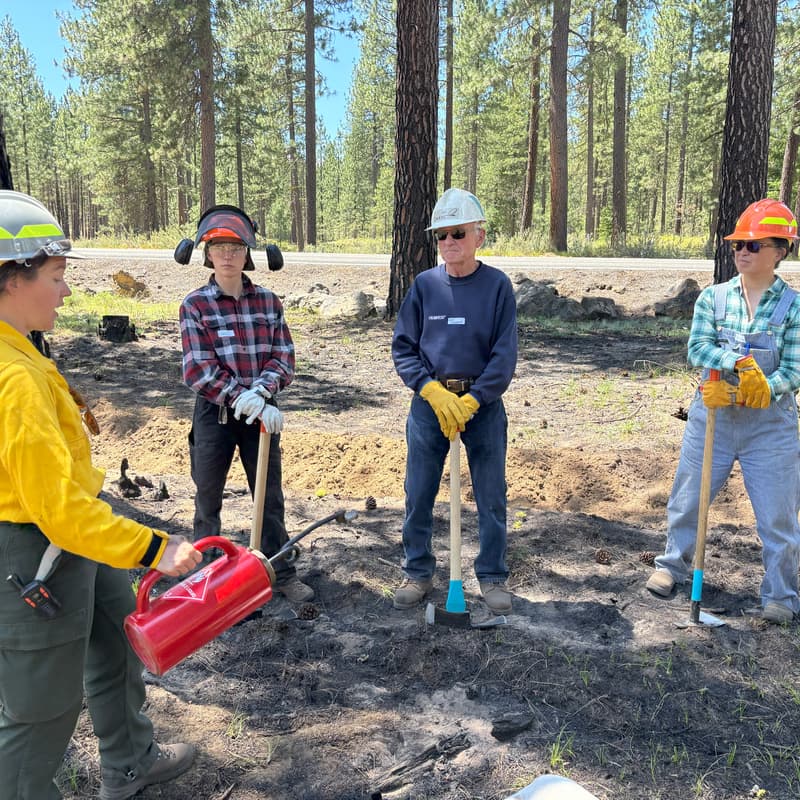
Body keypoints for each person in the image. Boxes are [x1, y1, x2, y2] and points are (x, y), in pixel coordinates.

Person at [0, 190, 201, 800]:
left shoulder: (21, 347)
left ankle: (131, 761)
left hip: (74, 529)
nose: (66, 291)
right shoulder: (12, 380)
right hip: (36, 552)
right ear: (10, 278)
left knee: (118, 633)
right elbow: (57, 511)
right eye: (56, 276)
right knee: (40, 713)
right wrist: (153, 548)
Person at [646, 198, 800, 624]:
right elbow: (697, 348)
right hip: (713, 416)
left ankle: (781, 595)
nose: (742, 253)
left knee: (778, 514)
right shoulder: (713, 299)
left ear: (780, 251)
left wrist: (763, 387)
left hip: (770, 427)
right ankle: (671, 567)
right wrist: (737, 364)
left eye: (753, 245)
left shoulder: (794, 307)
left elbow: (794, 368)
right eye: (738, 246)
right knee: (688, 499)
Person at [391, 188, 518, 614]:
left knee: (490, 494)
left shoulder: (497, 286)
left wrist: (474, 400)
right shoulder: (425, 286)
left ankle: (494, 577)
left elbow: (504, 356)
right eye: (441, 235)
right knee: (419, 491)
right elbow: (403, 347)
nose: (449, 243)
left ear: (479, 235)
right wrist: (429, 390)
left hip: (481, 408)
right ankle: (418, 571)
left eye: (458, 233)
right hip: (430, 406)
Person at [178, 204, 313, 602]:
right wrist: (243, 399)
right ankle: (207, 582)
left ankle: (281, 572)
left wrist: (261, 394)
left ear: (249, 252)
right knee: (207, 497)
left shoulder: (269, 303)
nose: (227, 254)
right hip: (213, 414)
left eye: (236, 246)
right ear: (206, 252)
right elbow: (197, 370)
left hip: (261, 415)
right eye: (219, 246)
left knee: (269, 497)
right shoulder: (195, 305)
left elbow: (283, 357)